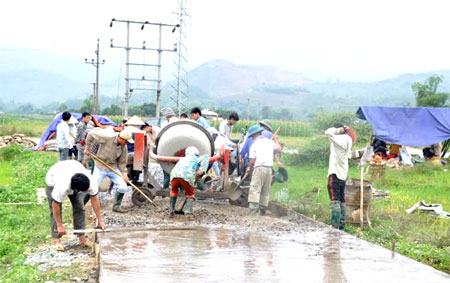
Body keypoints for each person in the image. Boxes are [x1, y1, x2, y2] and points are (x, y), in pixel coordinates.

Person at [45, 160, 106, 251]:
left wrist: (100, 220)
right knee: (55, 210)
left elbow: (95, 200)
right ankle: (57, 240)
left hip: (74, 168)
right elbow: (55, 205)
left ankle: (81, 237)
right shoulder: (62, 185)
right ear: (76, 189)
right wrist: (60, 225)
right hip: (53, 177)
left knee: (79, 206)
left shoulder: (91, 182)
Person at [84, 128, 134, 213]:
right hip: (100, 166)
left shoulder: (123, 147)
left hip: (113, 168)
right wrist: (87, 149)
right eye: (126, 141)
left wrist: (124, 175)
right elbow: (91, 134)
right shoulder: (107, 137)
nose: (127, 143)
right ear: (121, 139)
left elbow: (122, 163)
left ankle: (116, 206)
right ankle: (81, 204)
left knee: (122, 187)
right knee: (93, 187)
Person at [325, 125, 356, 230]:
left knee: (335, 200)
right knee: (342, 200)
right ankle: (341, 227)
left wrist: (339, 129)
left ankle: (335, 226)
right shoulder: (348, 140)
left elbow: (328, 132)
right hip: (343, 175)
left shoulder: (340, 139)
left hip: (335, 173)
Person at [246, 125, 282, 215]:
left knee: (255, 189)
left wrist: (249, 168)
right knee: (265, 191)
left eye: (252, 136)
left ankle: (253, 213)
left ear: (255, 135)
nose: (252, 138)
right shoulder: (269, 142)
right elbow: (279, 149)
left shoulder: (254, 144)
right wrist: (276, 140)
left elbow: (252, 160)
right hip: (269, 169)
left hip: (259, 168)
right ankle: (262, 212)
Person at [169, 146, 209, 217]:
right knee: (190, 194)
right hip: (187, 176)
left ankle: (171, 211)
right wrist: (196, 179)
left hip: (174, 175)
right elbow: (200, 172)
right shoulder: (202, 158)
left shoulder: (182, 159)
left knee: (174, 192)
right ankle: (188, 212)